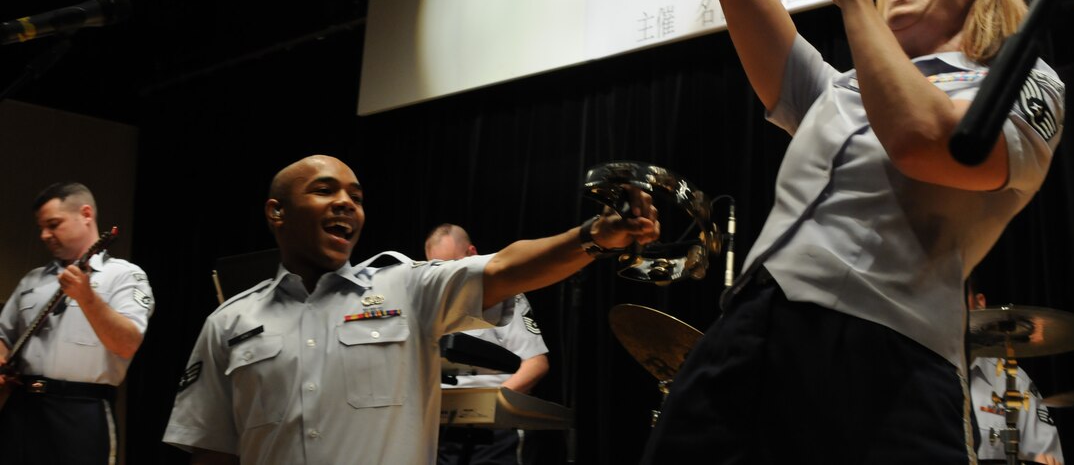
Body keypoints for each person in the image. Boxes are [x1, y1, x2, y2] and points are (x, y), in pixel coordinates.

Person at [538, 0, 1066, 463]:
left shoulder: (1018, 82)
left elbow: (923, 141)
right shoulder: (840, 90)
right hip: (747, 333)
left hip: (883, 357)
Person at [162, 154, 657, 464]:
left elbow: (506, 268)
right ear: (276, 213)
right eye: (324, 190)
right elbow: (212, 449)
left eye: (355, 197)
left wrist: (594, 236)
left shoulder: (407, 288)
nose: (345, 204)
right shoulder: (227, 323)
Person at [0, 181, 155, 465]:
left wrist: (88, 298)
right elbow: (4, 333)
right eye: (41, 227)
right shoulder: (31, 280)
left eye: (53, 224)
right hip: (22, 408)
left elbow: (127, 343)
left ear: (86, 214)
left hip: (82, 410)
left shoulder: (124, 276)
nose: (44, 235)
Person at [425, 223, 550, 465]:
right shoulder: (431, 302)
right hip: (441, 427)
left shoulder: (506, 295)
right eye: (436, 269)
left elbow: (536, 363)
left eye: (452, 266)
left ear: (472, 254)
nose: (445, 277)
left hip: (494, 426)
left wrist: (488, 406)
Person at [967, 279, 1064, 465]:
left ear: (979, 303)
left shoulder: (1013, 381)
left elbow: (1047, 456)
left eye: (957, 294)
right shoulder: (914, 377)